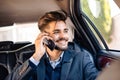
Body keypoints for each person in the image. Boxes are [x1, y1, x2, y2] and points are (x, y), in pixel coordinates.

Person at [6, 10, 99, 80]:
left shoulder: (81, 58)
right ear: (44, 36)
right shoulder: (28, 59)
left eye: (65, 31)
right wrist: (37, 56)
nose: (64, 36)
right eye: (56, 32)